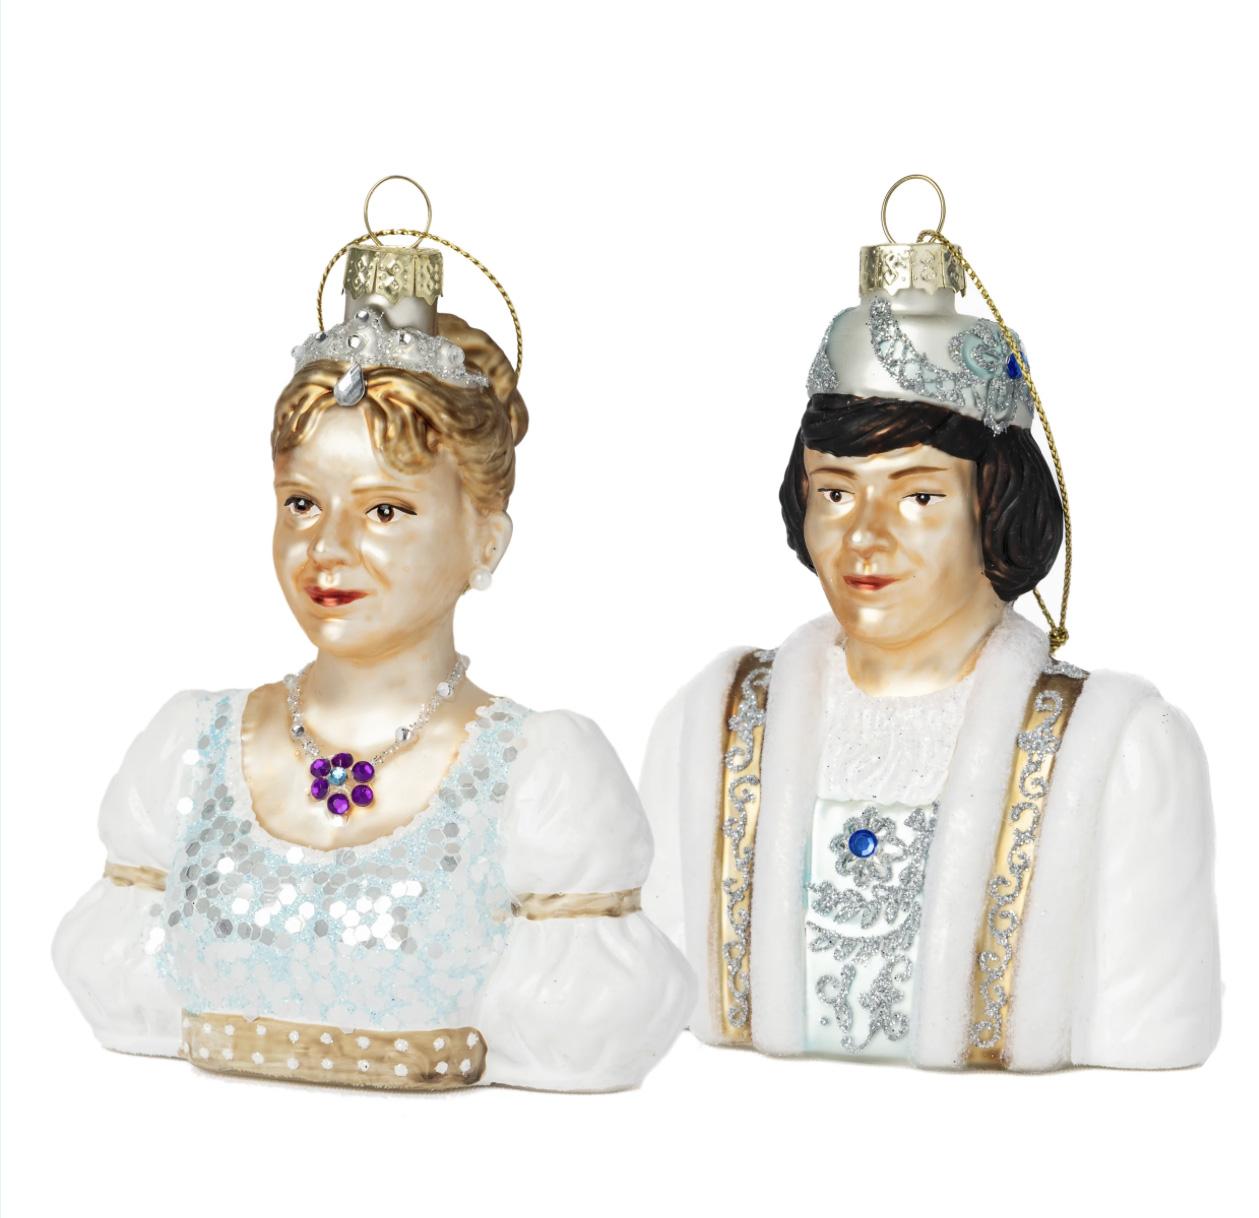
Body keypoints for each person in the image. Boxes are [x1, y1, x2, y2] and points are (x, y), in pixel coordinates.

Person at [53, 187, 694, 1092]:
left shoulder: (538, 773)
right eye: (301, 503)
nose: (328, 547)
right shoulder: (190, 748)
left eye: (385, 510)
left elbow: (594, 1033)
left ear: (485, 540)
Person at [640, 186, 1220, 1071]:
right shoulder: (710, 727)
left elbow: (1149, 1045)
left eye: (917, 495)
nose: (863, 538)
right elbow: (651, 994)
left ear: (997, 505)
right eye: (835, 492)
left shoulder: (1117, 752)